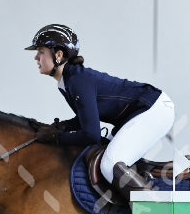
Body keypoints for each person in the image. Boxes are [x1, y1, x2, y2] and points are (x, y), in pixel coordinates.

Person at [26, 23, 176, 201]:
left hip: (154, 109)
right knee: (102, 157)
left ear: (59, 55)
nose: (36, 57)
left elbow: (91, 135)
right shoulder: (68, 81)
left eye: (41, 52)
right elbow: (86, 117)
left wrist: (56, 138)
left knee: (109, 164)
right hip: (138, 113)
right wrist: (61, 127)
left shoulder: (77, 80)